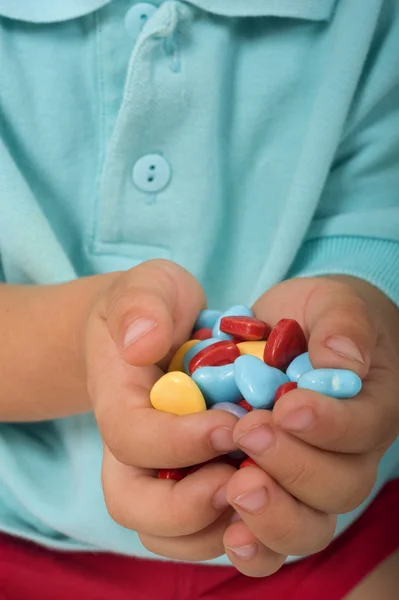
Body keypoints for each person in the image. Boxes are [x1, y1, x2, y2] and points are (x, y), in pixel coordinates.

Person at [0, 0, 398, 598]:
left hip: (336, 526)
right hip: (20, 531)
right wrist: (91, 334)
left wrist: (362, 304)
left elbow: (378, 205)